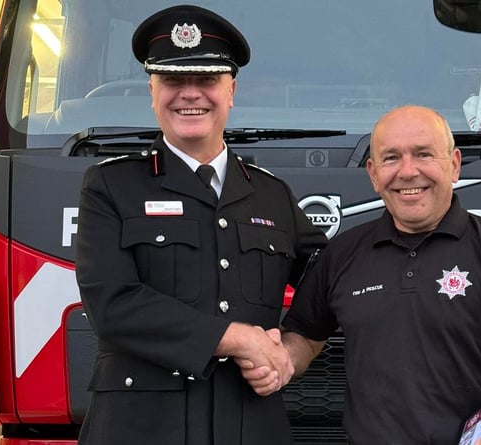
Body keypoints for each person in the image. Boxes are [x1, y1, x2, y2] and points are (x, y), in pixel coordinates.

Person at [74, 5, 326, 445]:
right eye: (173, 81)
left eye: (207, 79)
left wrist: (295, 349)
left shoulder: (272, 194)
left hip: (251, 427)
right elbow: (113, 305)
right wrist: (238, 339)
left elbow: (332, 280)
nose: (190, 94)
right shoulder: (110, 186)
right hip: (141, 428)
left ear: (231, 90)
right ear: (152, 91)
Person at [238, 105, 481, 445]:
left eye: (423, 154)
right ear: (374, 175)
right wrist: (276, 360)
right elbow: (304, 336)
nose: (408, 172)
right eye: (391, 158)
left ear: (453, 165)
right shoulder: (343, 254)